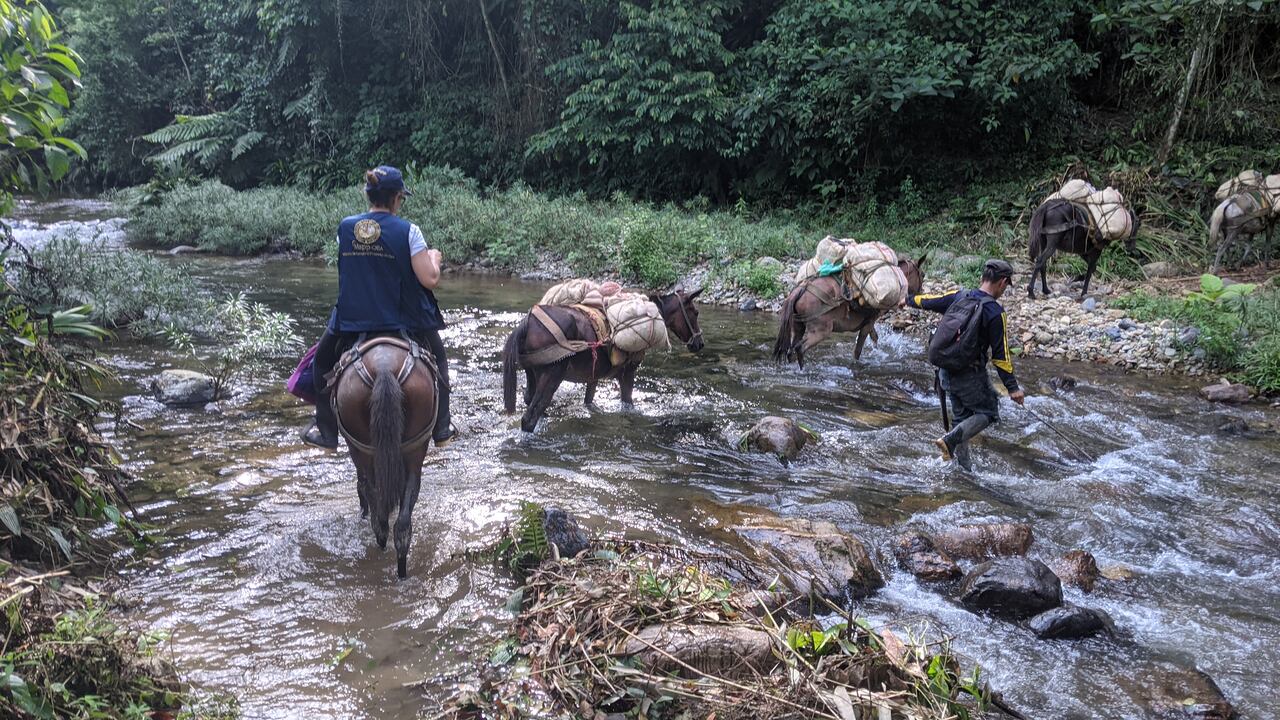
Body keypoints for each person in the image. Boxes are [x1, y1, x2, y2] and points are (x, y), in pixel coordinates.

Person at [301, 165, 455, 450]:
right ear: (397, 198)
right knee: (440, 360)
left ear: (367, 194)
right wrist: (434, 257)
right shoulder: (410, 231)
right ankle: (442, 428)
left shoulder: (346, 228)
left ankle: (326, 431)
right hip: (404, 321)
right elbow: (429, 279)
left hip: (352, 320)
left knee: (321, 360)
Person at [906, 259, 1024, 469]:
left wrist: (907, 300)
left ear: (982, 278)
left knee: (962, 419)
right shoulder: (995, 313)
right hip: (968, 375)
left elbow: (930, 301)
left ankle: (963, 470)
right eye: (1006, 286)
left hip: (944, 371)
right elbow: (1001, 357)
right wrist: (1012, 388)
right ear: (1003, 282)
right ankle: (950, 442)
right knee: (988, 413)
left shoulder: (959, 296)